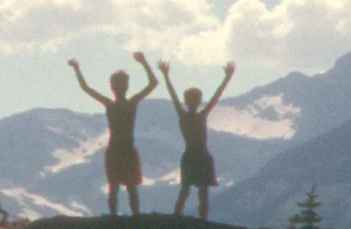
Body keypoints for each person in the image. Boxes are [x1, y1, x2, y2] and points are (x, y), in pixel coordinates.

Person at [68, 51, 161, 216]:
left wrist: (77, 69)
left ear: (113, 87)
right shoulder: (129, 103)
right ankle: (133, 218)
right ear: (126, 86)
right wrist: (143, 62)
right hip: (124, 149)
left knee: (116, 188)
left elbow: (86, 88)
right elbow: (154, 83)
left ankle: (116, 218)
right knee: (127, 188)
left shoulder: (111, 104)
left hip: (117, 149)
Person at [161, 59, 237, 219]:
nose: (194, 102)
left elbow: (216, 96)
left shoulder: (192, 115)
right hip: (196, 155)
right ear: (189, 101)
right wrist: (166, 76)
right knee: (191, 190)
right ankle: (184, 218)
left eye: (196, 99)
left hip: (197, 155)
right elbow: (174, 95)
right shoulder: (195, 115)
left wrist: (227, 78)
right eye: (193, 99)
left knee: (196, 191)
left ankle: (192, 219)